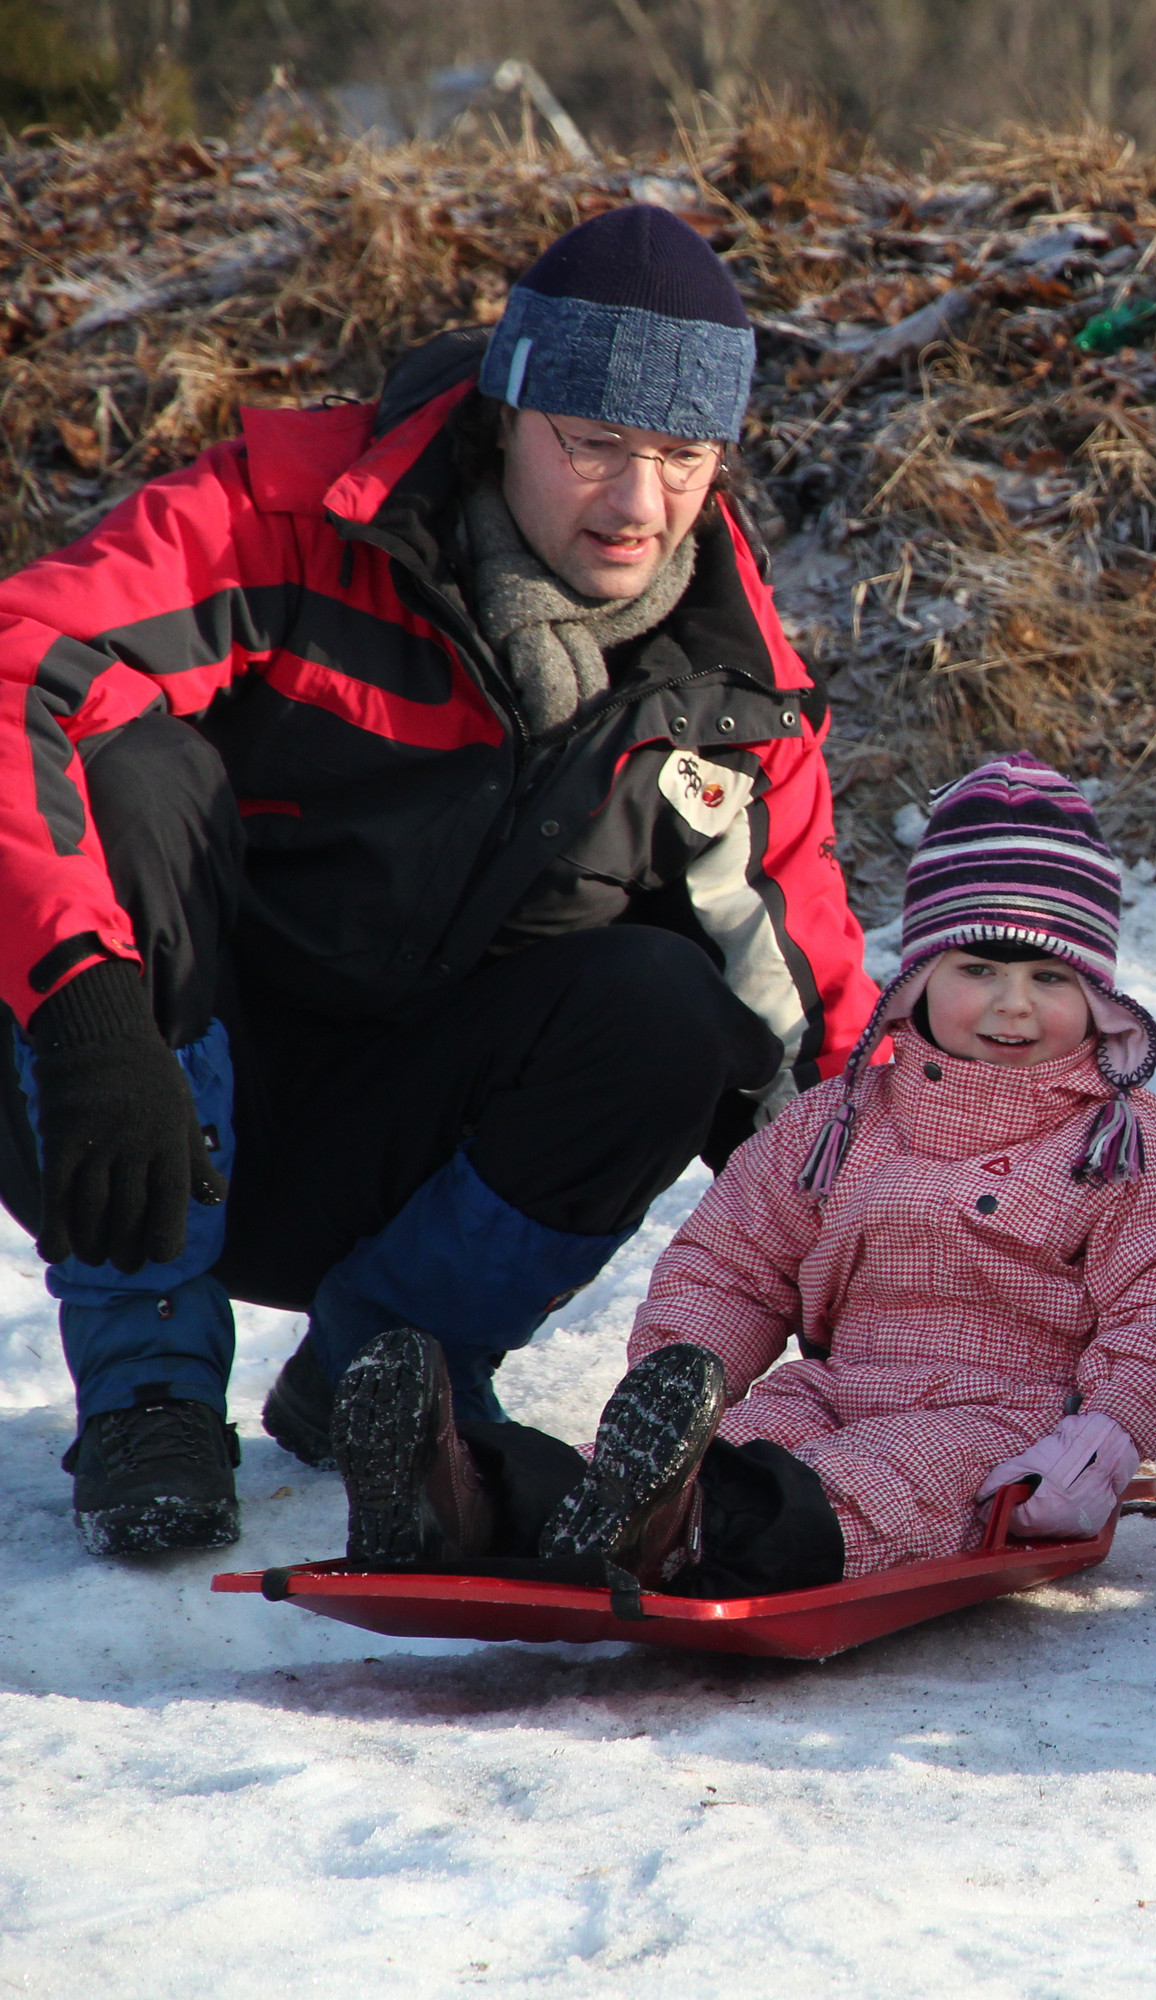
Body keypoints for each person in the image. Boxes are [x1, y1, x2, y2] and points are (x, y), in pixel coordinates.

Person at [0, 204, 875, 1556]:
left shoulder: (725, 696)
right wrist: (83, 1010)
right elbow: (26, 671)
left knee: (669, 1008)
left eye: (682, 456)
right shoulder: (294, 519)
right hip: (128, 1100)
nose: (637, 505)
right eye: (594, 444)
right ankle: (148, 1394)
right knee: (128, 770)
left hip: (401, 1152)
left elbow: (809, 1026)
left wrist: (916, 1267)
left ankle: (388, 1376)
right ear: (507, 408)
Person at [326, 755, 1156, 1593]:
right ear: (919, 979)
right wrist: (682, 1381)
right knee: (705, 1455)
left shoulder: (1126, 1150)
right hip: (830, 1392)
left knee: (858, 1493)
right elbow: (734, 1266)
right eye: (979, 969)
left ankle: (680, 1532)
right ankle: (466, 1496)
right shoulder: (836, 1125)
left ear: (1099, 998)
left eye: (1051, 980)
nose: (1014, 1006)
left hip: (1002, 1423)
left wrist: (1102, 1440)